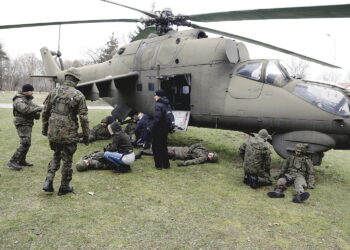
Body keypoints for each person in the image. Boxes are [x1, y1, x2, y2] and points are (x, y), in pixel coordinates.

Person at [42, 68, 90, 195]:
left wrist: (44, 129)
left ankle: (48, 180)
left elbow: (45, 112)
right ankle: (64, 187)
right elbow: (84, 118)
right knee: (67, 160)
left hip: (53, 132)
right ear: (76, 80)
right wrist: (86, 136)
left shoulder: (53, 92)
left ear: (66, 78)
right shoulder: (79, 95)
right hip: (68, 134)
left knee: (56, 155)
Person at [7, 84, 42, 170]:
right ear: (26, 91)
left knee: (27, 143)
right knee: (25, 142)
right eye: (31, 91)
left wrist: (38, 109)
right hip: (22, 123)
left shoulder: (27, 99)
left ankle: (21, 160)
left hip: (27, 123)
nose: (32, 92)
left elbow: (34, 106)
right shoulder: (18, 100)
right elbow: (25, 110)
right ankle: (13, 161)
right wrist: (38, 109)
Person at [135, 143, 218, 166]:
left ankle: (143, 152)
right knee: (164, 147)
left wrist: (183, 163)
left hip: (178, 154)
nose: (210, 155)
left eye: (211, 157)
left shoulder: (203, 158)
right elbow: (197, 144)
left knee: (161, 152)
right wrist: (191, 149)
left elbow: (194, 161)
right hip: (181, 148)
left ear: (210, 159)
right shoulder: (205, 149)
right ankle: (149, 148)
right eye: (212, 154)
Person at [148, 89, 171, 170]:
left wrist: (150, 127)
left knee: (155, 147)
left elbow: (156, 118)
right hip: (165, 129)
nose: (154, 97)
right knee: (164, 147)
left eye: (155, 95)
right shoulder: (167, 104)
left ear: (158, 96)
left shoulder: (158, 105)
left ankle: (158, 165)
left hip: (158, 130)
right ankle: (166, 165)